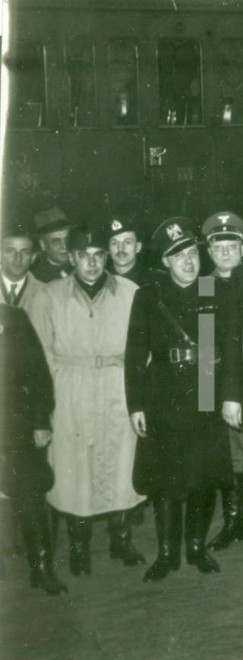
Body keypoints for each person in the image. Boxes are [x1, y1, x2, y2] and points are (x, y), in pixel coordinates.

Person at [125, 217, 242, 581]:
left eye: (192, 253)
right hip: (162, 394)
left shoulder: (211, 290)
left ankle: (195, 547)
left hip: (205, 385)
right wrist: (136, 405)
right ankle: (166, 553)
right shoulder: (149, 295)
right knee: (165, 478)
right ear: (165, 262)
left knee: (203, 476)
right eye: (178, 256)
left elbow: (227, 349)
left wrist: (229, 397)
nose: (188, 262)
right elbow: (134, 354)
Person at [26, 224, 146, 576]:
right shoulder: (49, 295)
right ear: (72, 257)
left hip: (116, 386)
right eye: (83, 256)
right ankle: (79, 547)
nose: (92, 263)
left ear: (105, 257)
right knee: (75, 470)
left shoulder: (129, 292)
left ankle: (120, 539)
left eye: (98, 256)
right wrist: (46, 406)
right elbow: (39, 356)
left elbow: (143, 350)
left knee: (121, 462)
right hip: (70, 389)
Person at [0, 302, 67, 595]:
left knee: (29, 490)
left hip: (14, 421)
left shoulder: (12, 317)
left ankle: (41, 567)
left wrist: (40, 421)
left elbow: (37, 371)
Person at [201, 211, 243, 553]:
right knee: (227, 456)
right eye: (218, 246)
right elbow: (205, 343)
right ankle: (234, 522)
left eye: (231, 245)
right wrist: (208, 397)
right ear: (209, 251)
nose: (225, 252)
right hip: (220, 382)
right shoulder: (204, 286)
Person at [102, 215, 154, 286]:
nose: (120, 248)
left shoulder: (153, 281)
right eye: (114, 243)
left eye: (127, 242)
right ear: (108, 249)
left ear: (138, 247)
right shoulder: (100, 280)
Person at [1, 232, 44, 310]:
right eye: (10, 251)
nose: (18, 258)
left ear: (33, 258)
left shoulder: (45, 292)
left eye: (25, 252)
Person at [29, 207, 73, 283]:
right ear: (43, 245)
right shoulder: (35, 276)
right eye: (56, 241)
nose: (64, 246)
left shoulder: (81, 265)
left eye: (67, 239)